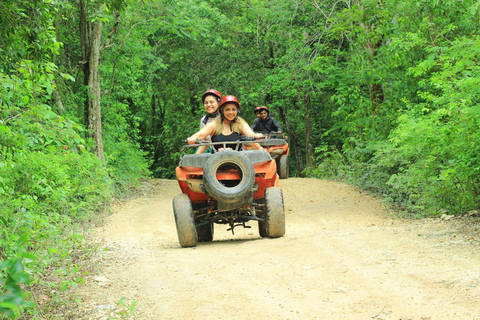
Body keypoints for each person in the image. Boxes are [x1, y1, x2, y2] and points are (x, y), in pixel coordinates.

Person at [187, 95, 261, 152]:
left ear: (237, 111)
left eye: (234, 109)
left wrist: (256, 138)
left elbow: (250, 135)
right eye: (227, 110)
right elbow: (200, 134)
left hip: (238, 162)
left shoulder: (240, 123)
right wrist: (192, 138)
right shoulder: (214, 124)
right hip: (216, 162)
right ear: (222, 111)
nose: (231, 112)